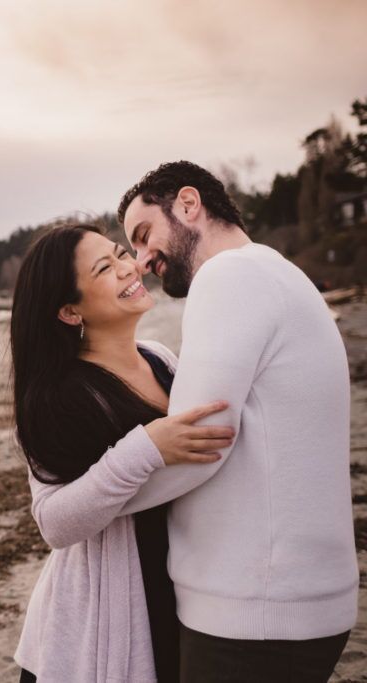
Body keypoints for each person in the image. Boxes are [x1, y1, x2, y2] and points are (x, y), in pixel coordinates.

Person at [112, 160, 358, 681]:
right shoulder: (273, 272)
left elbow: (198, 442)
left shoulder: (230, 276)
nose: (141, 260)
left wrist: (95, 501)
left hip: (253, 613)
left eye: (144, 235)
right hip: (290, 602)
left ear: (188, 204)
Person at [9, 222, 235, 681]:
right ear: (70, 311)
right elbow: (54, 522)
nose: (129, 267)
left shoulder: (159, 358)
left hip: (183, 588)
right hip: (102, 622)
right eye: (104, 268)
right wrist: (146, 449)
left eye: (120, 254)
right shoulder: (58, 397)